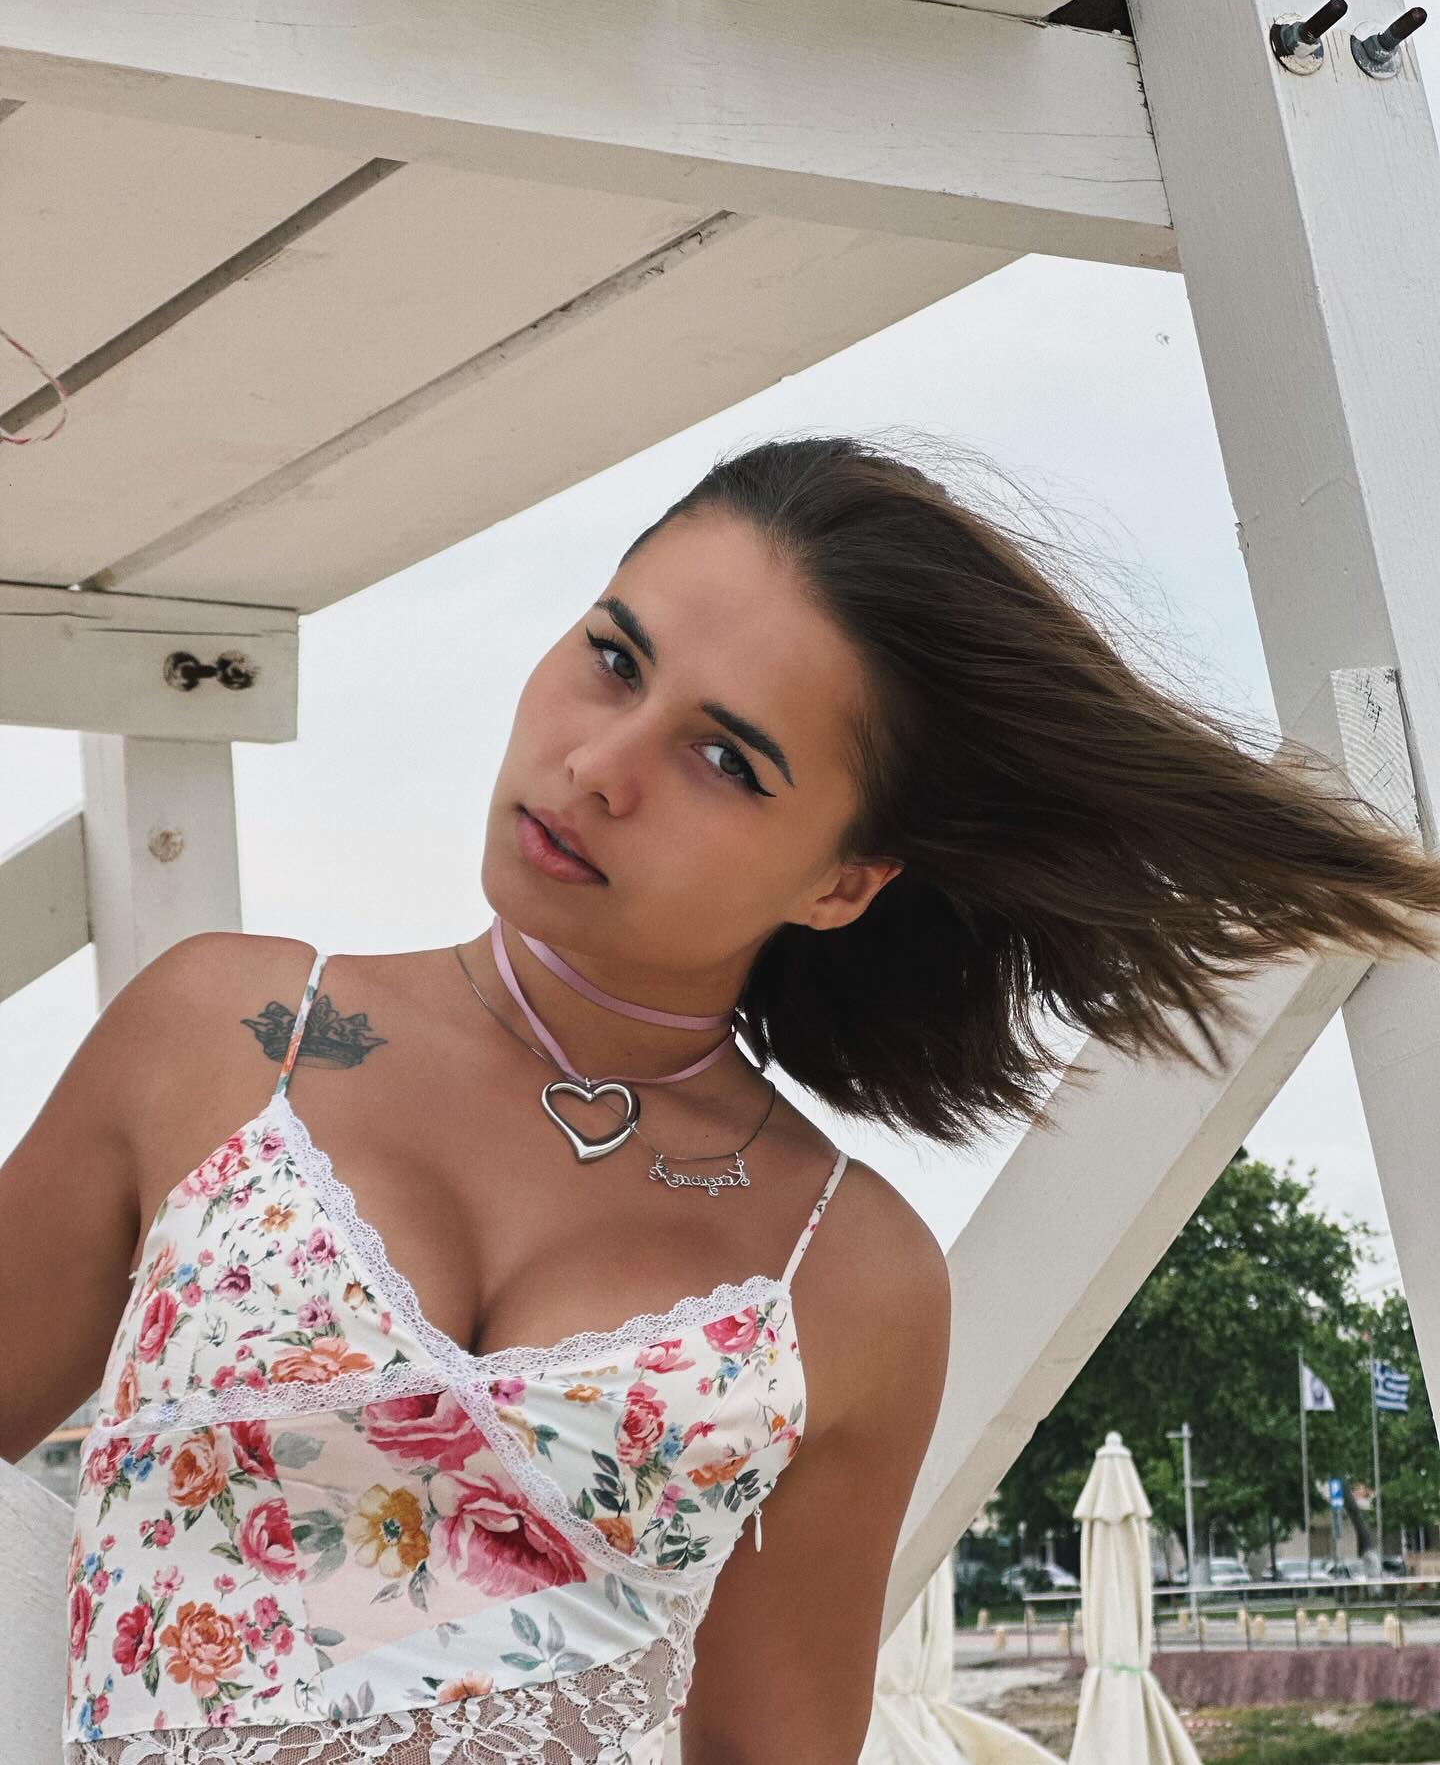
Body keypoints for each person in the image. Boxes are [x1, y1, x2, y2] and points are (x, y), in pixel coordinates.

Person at [4, 433, 1439, 1762]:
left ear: (843, 884)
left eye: (725, 759)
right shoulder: (233, 1033)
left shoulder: (847, 1272)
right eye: (613, 658)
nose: (598, 766)